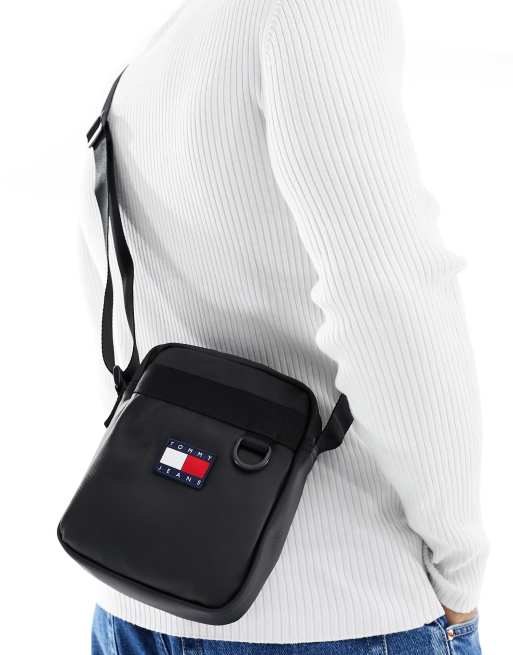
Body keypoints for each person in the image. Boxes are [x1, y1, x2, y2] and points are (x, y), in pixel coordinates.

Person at [85, 1, 488, 653]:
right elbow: (390, 298)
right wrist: (460, 565)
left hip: (133, 591)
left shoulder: (161, 52)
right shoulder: (311, 11)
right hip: (340, 606)